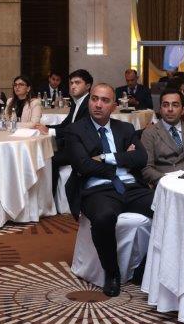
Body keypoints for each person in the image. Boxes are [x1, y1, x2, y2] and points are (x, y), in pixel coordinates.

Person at [65, 83, 153, 297]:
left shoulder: (126, 128)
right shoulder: (76, 130)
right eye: (94, 99)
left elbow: (141, 158)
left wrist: (105, 157)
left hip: (131, 186)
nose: (98, 104)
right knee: (104, 217)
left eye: (105, 101)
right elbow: (83, 165)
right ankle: (112, 273)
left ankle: (144, 267)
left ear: (114, 106)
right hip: (98, 189)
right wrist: (123, 158)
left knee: (166, 207)